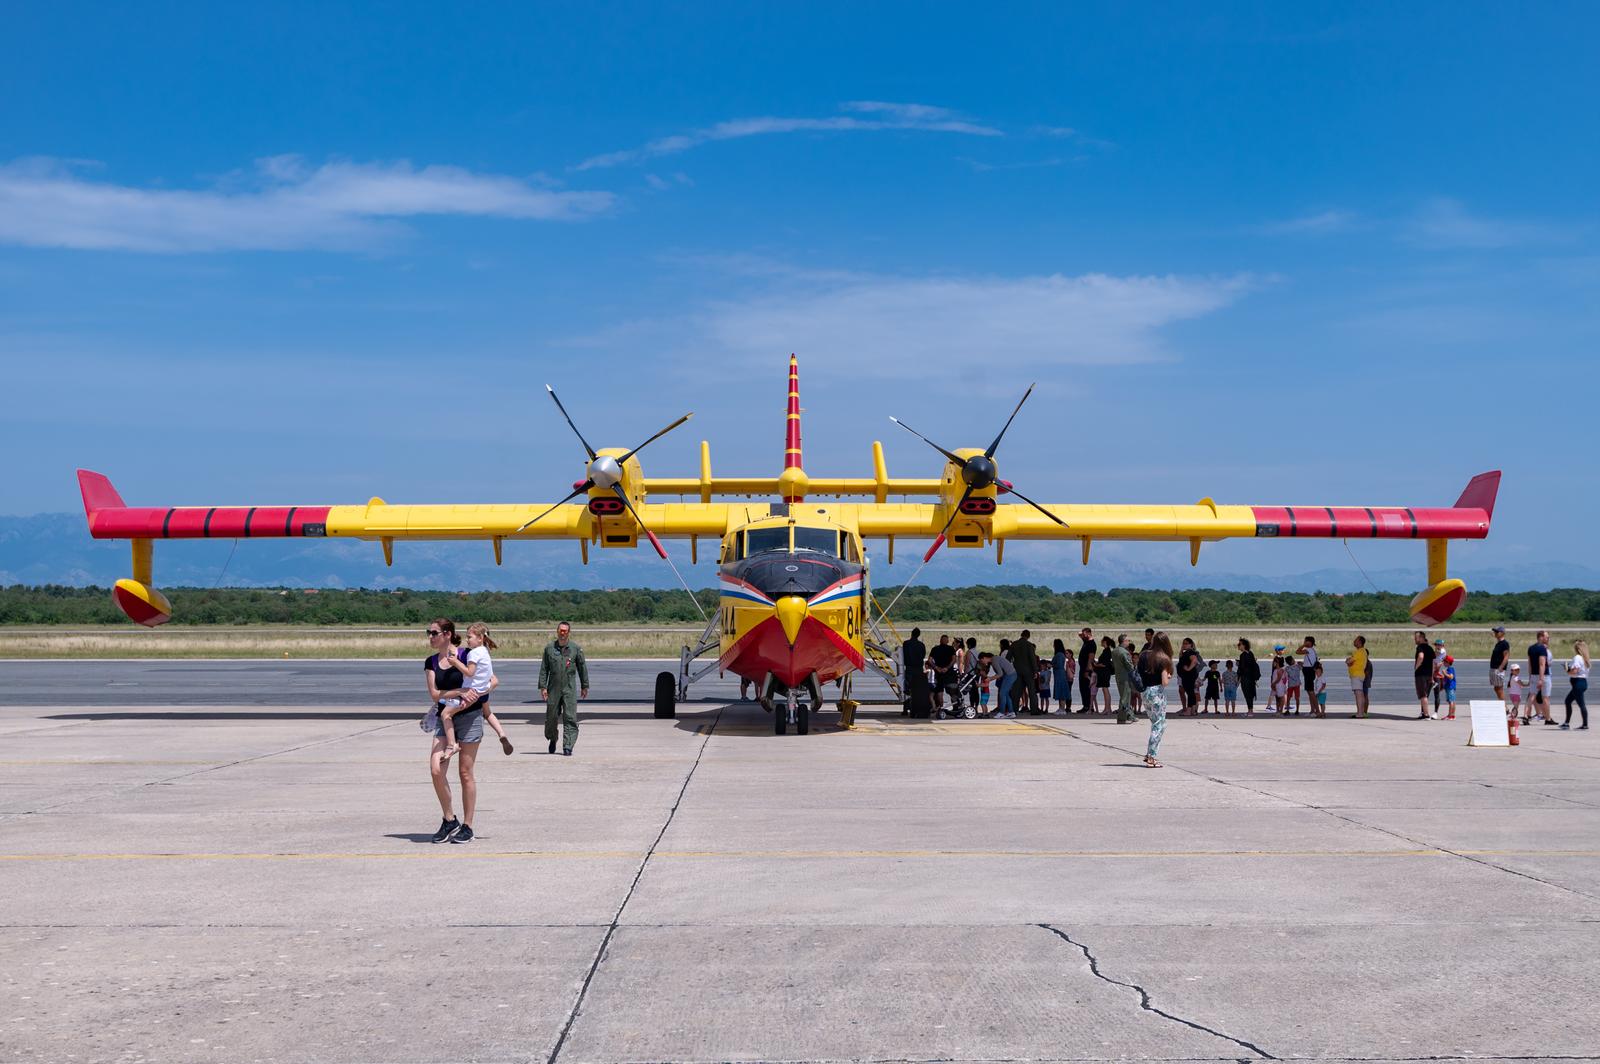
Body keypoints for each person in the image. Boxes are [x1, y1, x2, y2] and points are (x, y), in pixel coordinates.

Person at [423, 620, 482, 845]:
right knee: (436, 768)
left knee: (465, 773)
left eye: (434, 633)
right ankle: (450, 819)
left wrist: (476, 695)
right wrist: (459, 691)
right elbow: (435, 694)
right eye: (428, 633)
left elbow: (490, 679)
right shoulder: (431, 662)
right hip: (443, 718)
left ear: (447, 634)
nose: (430, 636)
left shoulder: (466, 655)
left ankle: (467, 826)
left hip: (469, 716)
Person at [439, 622, 512, 760]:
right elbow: (490, 675)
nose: (467, 640)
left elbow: (469, 672)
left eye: (469, 637)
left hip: (471, 693)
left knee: (445, 714)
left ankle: (452, 744)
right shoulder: (485, 651)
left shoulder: (473, 653)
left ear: (480, 638)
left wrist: (455, 662)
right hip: (483, 690)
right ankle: (501, 734)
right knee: (488, 713)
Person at [539, 621, 590, 755]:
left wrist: (585, 685)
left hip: (569, 688)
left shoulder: (575, 649)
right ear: (557, 631)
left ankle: (568, 746)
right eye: (561, 630)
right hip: (553, 688)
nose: (563, 633)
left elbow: (582, 668)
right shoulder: (549, 648)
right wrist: (542, 687)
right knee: (551, 717)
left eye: (565, 631)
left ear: (568, 632)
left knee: (570, 717)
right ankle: (552, 738)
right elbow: (544, 669)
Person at [1140, 632, 1174, 768]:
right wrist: (1169, 676)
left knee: (1155, 723)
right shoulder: (1163, 659)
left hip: (1145, 692)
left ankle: (1150, 754)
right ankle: (1151, 756)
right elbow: (1164, 682)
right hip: (1156, 693)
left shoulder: (1143, 655)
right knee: (1159, 725)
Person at [1011, 629, 1040, 715]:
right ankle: (1034, 710)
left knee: (1016, 691)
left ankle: (1014, 709)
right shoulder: (1029, 645)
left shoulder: (1014, 644)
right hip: (1028, 671)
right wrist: (1035, 671)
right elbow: (1032, 659)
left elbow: (1008, 657)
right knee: (1031, 691)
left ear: (1021, 635)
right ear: (1028, 636)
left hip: (1017, 670)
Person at [1529, 630, 1554, 726]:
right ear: (1541, 637)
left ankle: (1543, 715)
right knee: (1542, 697)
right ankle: (1543, 715)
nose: (1548, 639)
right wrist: (1541, 678)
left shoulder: (1545, 649)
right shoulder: (1542, 649)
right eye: (1547, 637)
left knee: (1535, 696)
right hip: (1543, 676)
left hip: (1543, 675)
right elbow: (1542, 664)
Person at [928, 634, 958, 714]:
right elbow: (954, 660)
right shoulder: (951, 649)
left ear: (940, 641)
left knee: (939, 692)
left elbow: (930, 660)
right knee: (953, 691)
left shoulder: (935, 649)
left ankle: (940, 709)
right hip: (949, 673)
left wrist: (936, 667)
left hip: (939, 673)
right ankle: (956, 707)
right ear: (947, 641)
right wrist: (947, 668)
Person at [1563, 640, 1590, 730]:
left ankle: (1585, 724)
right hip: (1583, 682)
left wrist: (1567, 669)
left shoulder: (1577, 657)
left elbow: (1575, 671)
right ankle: (1566, 723)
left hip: (1578, 683)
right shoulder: (1585, 658)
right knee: (1568, 701)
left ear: (1577, 648)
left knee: (1581, 704)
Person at [901, 628, 927, 717]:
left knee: (907, 689)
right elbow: (923, 655)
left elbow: (903, 655)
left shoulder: (906, 644)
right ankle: (915, 708)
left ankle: (905, 709)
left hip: (909, 668)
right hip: (919, 669)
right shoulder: (921, 645)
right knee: (917, 690)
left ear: (912, 634)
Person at [1112, 634, 1137, 724]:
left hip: (1118, 676)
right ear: (1124, 641)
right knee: (1125, 698)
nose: (1128, 642)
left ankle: (1129, 715)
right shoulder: (1124, 652)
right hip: (1125, 677)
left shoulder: (1114, 651)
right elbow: (1129, 666)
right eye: (1127, 640)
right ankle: (1122, 717)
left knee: (1124, 696)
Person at [1345, 635, 1371, 718]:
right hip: (1359, 675)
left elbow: (1349, 661)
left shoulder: (1359, 651)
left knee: (1358, 694)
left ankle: (1360, 713)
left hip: (1357, 675)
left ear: (1360, 642)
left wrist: (1349, 661)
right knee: (1360, 694)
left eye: (1356, 640)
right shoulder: (1362, 651)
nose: (1354, 641)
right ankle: (1361, 712)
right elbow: (1349, 662)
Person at [1413, 631, 1436, 720]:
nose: (1415, 639)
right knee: (1425, 694)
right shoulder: (1430, 648)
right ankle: (1423, 713)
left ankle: (1426, 714)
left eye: (1416, 638)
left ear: (1421, 638)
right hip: (1428, 674)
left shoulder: (1420, 647)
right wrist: (1432, 675)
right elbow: (1433, 662)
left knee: (1423, 695)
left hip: (1421, 674)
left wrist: (1416, 666)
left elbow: (1421, 656)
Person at [1176, 638, 1201, 716]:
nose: (1184, 645)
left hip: (1188, 676)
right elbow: (1180, 657)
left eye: (1186, 643)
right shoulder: (1186, 652)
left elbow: (1194, 660)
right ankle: (1193, 710)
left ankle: (1189, 710)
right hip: (1187, 675)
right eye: (1183, 643)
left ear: (1191, 644)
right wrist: (1181, 649)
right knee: (1191, 692)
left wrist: (1188, 668)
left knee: (1190, 692)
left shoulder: (1190, 652)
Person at [994, 638, 1018, 717]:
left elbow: (1002, 665)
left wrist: (999, 675)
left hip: (1006, 674)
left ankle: (1002, 712)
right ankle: (1011, 711)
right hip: (1010, 673)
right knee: (1006, 693)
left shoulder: (1004, 652)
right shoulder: (1010, 651)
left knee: (1002, 693)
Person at [1489, 624, 1512, 704]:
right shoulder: (1498, 643)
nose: (1495, 633)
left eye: (1497, 632)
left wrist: (1500, 668)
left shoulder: (1504, 644)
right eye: (1495, 631)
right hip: (1494, 668)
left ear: (1502, 633)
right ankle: (1502, 705)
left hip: (1498, 669)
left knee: (1499, 688)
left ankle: (1504, 707)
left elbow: (1506, 656)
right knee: (1496, 688)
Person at [1236, 638, 1259, 716]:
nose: (1238, 646)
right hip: (1252, 677)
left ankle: (1250, 711)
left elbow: (1242, 668)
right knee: (1250, 694)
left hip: (1245, 678)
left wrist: (1238, 678)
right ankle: (1250, 710)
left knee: (1247, 694)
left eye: (1239, 644)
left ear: (1244, 645)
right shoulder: (1250, 653)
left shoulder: (1243, 655)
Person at [1077, 627, 1098, 714]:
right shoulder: (1086, 641)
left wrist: (1087, 670)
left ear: (1089, 633)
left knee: (1086, 688)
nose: (1082, 635)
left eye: (1084, 633)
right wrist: (1083, 634)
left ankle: (1088, 706)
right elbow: (1079, 634)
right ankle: (1085, 705)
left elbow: (1091, 657)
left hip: (1086, 668)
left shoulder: (1091, 644)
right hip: (1082, 667)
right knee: (1082, 687)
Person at [1051, 640, 1074, 715]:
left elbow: (1060, 665)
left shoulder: (1060, 654)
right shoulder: (1060, 654)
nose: (1053, 646)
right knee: (1060, 690)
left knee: (1061, 691)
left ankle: (1062, 708)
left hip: (1060, 674)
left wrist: (1051, 665)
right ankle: (1061, 707)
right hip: (1058, 674)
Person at [1095, 636, 1115, 714]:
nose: (1101, 642)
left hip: (1104, 672)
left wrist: (1096, 665)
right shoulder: (1106, 651)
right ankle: (1108, 708)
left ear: (1105, 642)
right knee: (1105, 690)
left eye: (1102, 641)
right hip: (1104, 672)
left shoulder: (1107, 651)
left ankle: (1107, 708)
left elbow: (1104, 664)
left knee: (1105, 690)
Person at [1438, 655, 1458, 720]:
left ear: (1448, 662)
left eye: (1444, 662)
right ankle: (1452, 715)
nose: (1443, 663)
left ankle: (1450, 715)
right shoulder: (1450, 669)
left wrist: (1444, 673)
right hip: (1450, 687)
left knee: (1451, 701)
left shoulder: (1450, 669)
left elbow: (1451, 677)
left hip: (1450, 687)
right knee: (1453, 701)